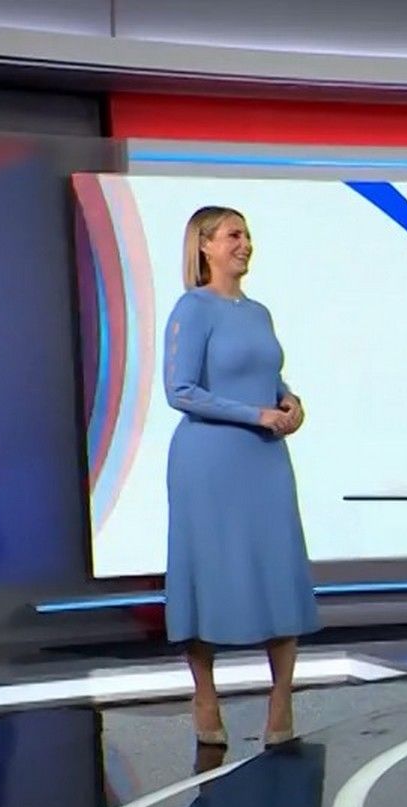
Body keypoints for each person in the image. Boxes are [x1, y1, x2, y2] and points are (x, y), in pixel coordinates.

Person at [163, 205, 319, 747]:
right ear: (205, 245)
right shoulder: (192, 309)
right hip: (209, 462)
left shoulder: (258, 313)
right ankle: (205, 696)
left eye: (247, 234)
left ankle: (282, 702)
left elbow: (269, 376)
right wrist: (255, 414)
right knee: (208, 569)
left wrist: (290, 401)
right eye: (234, 235)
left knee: (279, 567)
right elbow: (180, 391)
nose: (245, 244)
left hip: (265, 461)